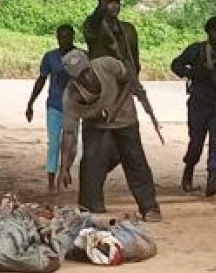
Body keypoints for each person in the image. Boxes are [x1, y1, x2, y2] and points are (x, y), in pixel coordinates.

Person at [59, 50, 161, 222]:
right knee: (91, 161)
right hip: (95, 125)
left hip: (125, 119)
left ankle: (149, 207)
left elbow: (130, 79)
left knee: (135, 161)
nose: (87, 78)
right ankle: (90, 205)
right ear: (73, 79)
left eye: (87, 71)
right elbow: (69, 133)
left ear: (91, 65)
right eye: (80, 76)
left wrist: (116, 108)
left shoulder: (107, 64)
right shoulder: (71, 97)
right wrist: (64, 167)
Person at [171, 16, 216, 196]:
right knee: (196, 143)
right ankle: (189, 171)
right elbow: (175, 65)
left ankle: (213, 177)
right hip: (198, 104)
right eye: (215, 29)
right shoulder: (196, 50)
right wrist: (193, 73)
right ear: (208, 32)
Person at [25, 24, 79, 192]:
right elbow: (41, 80)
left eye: (67, 37)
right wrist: (30, 103)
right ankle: (51, 181)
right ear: (57, 38)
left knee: (72, 145)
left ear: (72, 38)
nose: (64, 41)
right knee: (54, 144)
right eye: (60, 37)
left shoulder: (80, 56)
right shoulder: (50, 57)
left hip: (74, 106)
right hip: (54, 105)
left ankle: (66, 169)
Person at [83, 0, 139, 73]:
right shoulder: (93, 26)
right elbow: (96, 18)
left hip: (123, 81)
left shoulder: (128, 29)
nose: (114, 6)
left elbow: (135, 61)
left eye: (117, 2)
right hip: (101, 79)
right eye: (110, 1)